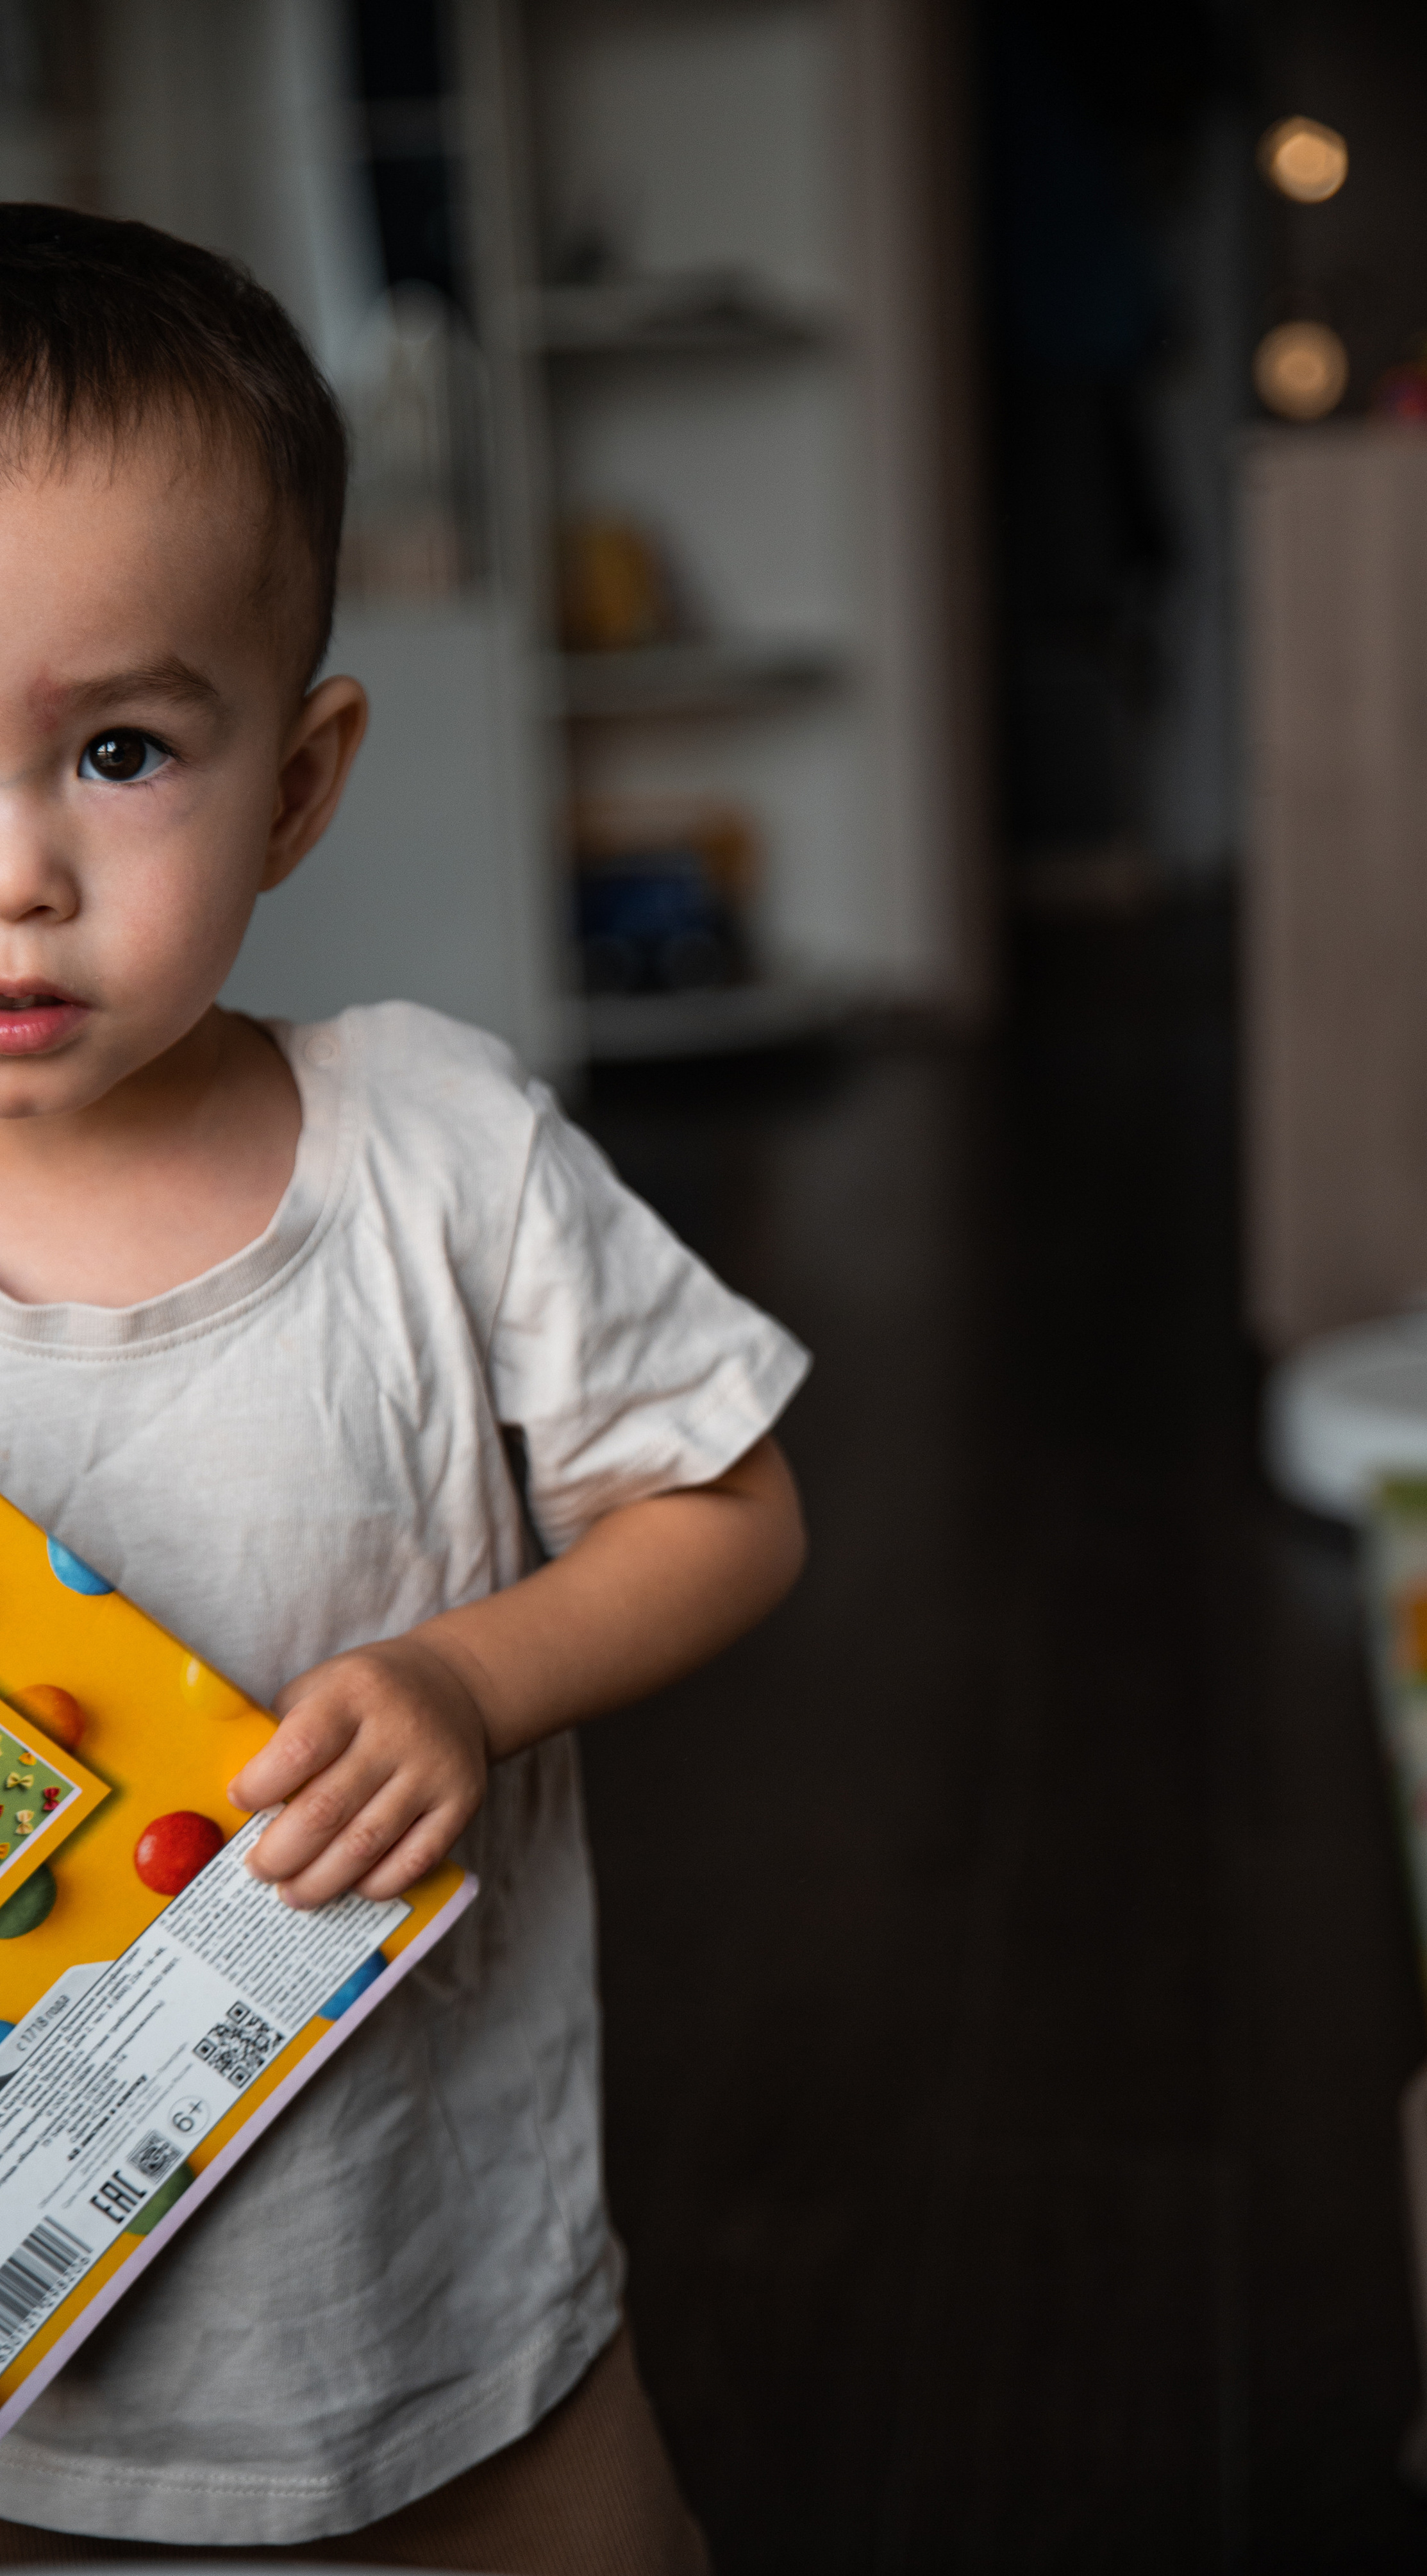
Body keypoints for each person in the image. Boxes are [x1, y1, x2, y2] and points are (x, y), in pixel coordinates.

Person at [0, 204, 809, 2572]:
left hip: (452, 2317)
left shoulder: (433, 1148)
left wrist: (469, 1675)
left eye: (118, 749)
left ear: (302, 775)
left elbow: (730, 1506)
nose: (18, 871)